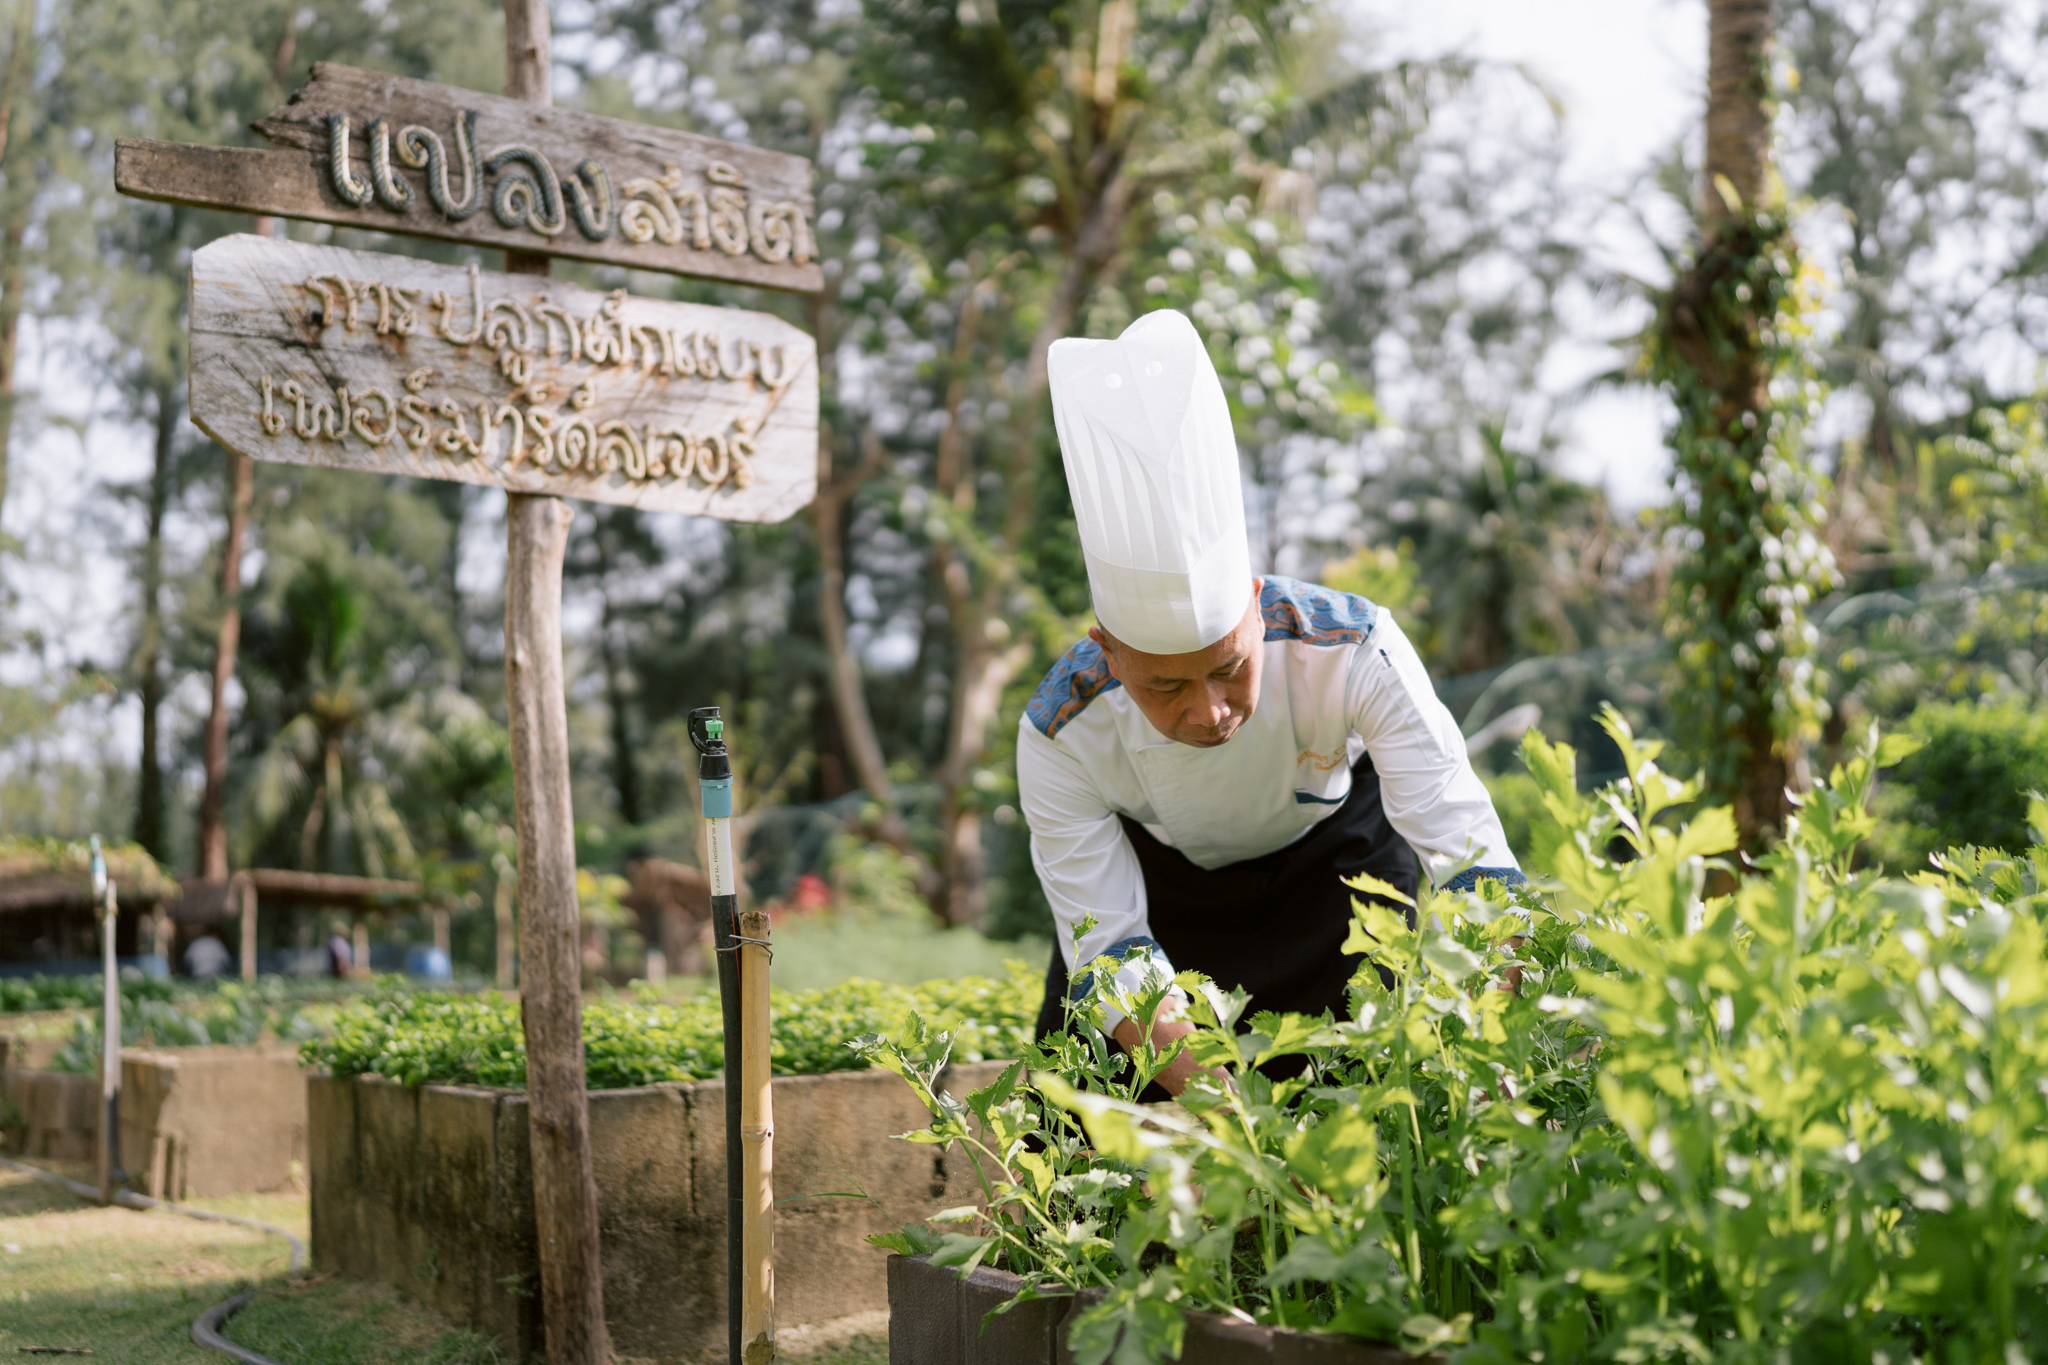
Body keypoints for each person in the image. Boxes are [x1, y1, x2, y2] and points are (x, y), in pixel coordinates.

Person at [1019, 309, 1523, 1096]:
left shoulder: (1356, 649)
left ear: (1257, 606)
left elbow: (1468, 854)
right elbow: (1109, 942)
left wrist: (1494, 1043)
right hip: (1166, 903)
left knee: (1384, 1107)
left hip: (1339, 873)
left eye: (1229, 668)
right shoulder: (1059, 732)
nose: (1211, 711)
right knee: (1084, 1118)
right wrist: (1232, 1114)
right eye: (1166, 686)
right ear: (1109, 653)